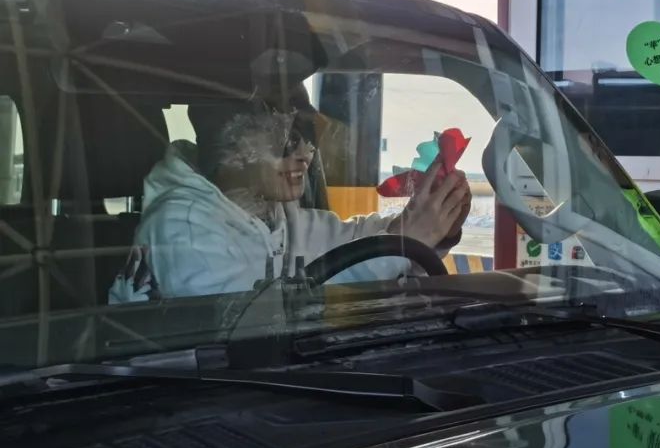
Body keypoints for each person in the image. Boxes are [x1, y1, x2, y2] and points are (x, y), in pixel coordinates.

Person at [110, 100, 470, 302]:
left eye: (309, 141)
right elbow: (246, 331)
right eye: (286, 140)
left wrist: (427, 221)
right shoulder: (182, 227)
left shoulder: (273, 215)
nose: (306, 156)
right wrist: (406, 241)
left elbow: (351, 241)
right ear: (235, 149)